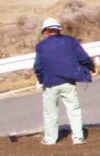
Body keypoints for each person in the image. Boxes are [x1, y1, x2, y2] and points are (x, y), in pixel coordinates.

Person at [33, 17, 95, 145]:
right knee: (74, 109)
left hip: (50, 83)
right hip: (68, 82)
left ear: (45, 31)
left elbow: (38, 67)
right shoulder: (70, 42)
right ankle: (78, 137)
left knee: (50, 112)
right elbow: (83, 57)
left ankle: (50, 139)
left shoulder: (41, 46)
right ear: (58, 30)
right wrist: (91, 68)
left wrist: (40, 79)